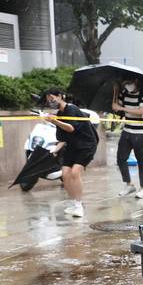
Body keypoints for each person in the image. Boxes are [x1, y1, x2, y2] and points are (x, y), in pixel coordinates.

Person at [41, 88, 98, 218]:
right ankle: (73, 203)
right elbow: (63, 137)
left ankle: (79, 206)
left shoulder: (71, 109)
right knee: (65, 174)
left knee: (74, 172)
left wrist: (54, 121)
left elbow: (71, 128)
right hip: (72, 146)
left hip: (86, 145)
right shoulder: (59, 114)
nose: (50, 102)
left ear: (60, 96)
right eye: (48, 100)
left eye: (52, 98)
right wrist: (55, 150)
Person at [112, 77, 143, 198]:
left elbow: (141, 111)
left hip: (141, 132)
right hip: (127, 130)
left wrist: (123, 108)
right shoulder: (124, 93)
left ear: (136, 82)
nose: (128, 85)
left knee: (141, 160)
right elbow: (114, 107)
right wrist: (115, 91)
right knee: (120, 159)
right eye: (126, 82)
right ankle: (129, 184)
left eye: (130, 82)